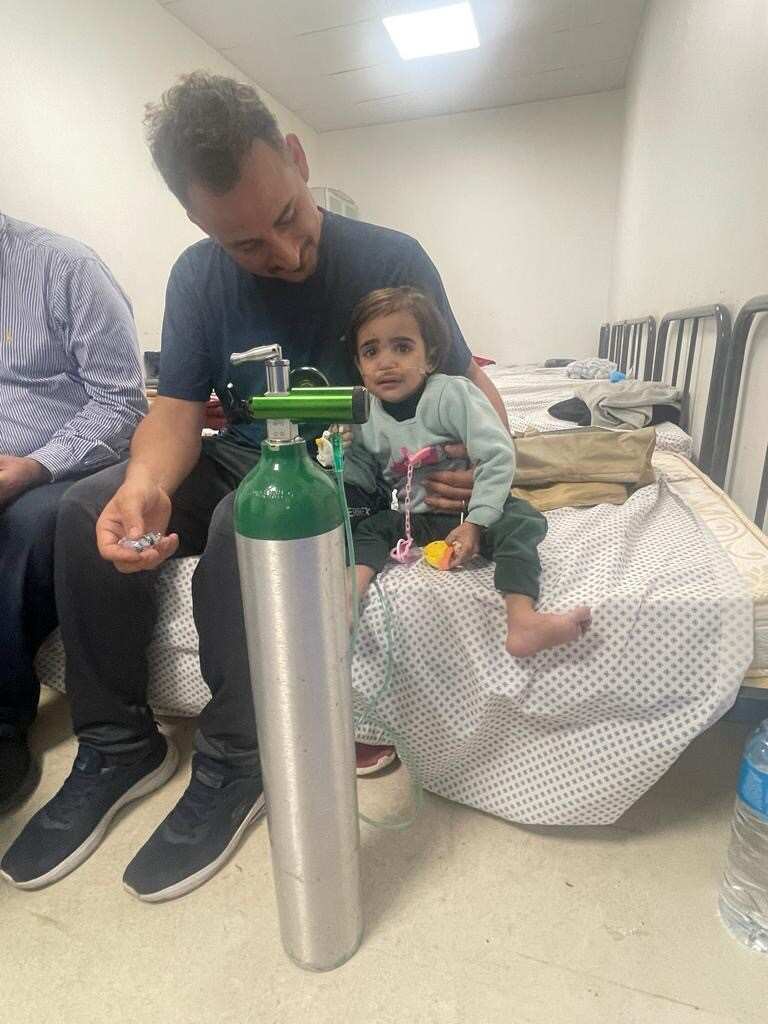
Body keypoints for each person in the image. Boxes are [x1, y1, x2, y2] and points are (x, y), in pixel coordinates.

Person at [0, 72, 509, 902]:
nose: (282, 254)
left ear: (298, 160)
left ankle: (240, 753)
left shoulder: (390, 257)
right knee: (81, 508)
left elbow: (467, 390)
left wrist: (479, 462)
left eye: (286, 218)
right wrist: (145, 487)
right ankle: (118, 741)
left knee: (254, 519)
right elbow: (171, 414)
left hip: (347, 468)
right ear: (199, 223)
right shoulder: (197, 277)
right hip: (243, 446)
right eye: (245, 244)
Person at [342, 287, 592, 654]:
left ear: (430, 358)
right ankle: (346, 603)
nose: (385, 362)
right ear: (359, 365)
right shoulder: (364, 414)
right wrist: (339, 456)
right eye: (371, 351)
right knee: (368, 530)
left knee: (521, 521)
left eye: (402, 347)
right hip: (412, 517)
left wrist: (476, 522)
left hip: (468, 512)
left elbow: (497, 454)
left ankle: (522, 619)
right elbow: (364, 474)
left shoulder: (453, 395)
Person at [0, 213, 147, 813]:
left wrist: (30, 467)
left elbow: (123, 403)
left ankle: (4, 721)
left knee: (26, 526)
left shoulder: (64, 268)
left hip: (62, 463)